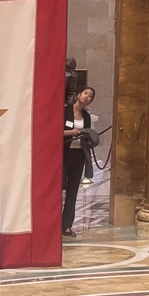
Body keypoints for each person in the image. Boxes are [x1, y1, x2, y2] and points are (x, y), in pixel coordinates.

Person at [62, 86, 95, 237]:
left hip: (78, 155)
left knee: (73, 192)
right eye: (86, 93)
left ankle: (66, 225)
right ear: (79, 94)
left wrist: (87, 135)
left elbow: (88, 136)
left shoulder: (86, 117)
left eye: (90, 96)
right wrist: (70, 132)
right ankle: (52, 224)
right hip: (64, 154)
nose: (87, 97)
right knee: (58, 190)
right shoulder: (65, 110)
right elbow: (54, 129)